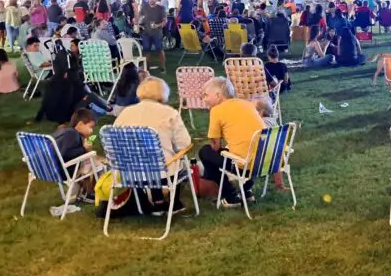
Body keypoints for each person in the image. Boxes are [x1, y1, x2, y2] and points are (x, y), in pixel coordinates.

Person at [113, 77, 190, 211]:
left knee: (154, 158)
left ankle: (155, 200)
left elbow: (114, 143)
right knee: (176, 160)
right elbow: (184, 144)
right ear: (163, 93)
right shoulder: (169, 113)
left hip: (129, 172)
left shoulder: (125, 113)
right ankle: (174, 204)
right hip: (161, 173)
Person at [197, 77, 265, 205]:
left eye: (206, 95)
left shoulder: (216, 110)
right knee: (231, 151)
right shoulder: (247, 104)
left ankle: (230, 195)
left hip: (245, 165)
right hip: (265, 161)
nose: (204, 99)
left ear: (218, 95)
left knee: (205, 152)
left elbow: (215, 147)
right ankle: (246, 191)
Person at [53, 108, 98, 200]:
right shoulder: (73, 134)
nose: (92, 131)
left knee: (89, 161)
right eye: (90, 127)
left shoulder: (63, 132)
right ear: (80, 124)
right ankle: (89, 193)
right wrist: (84, 149)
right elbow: (65, 154)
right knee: (96, 164)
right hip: (63, 172)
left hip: (51, 170)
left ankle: (80, 192)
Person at [138, 0, 168, 74]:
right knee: (146, 50)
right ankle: (147, 68)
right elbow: (139, 18)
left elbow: (165, 21)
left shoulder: (161, 8)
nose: (151, 0)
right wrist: (139, 21)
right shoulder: (144, 7)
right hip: (146, 33)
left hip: (157, 33)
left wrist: (157, 25)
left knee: (159, 50)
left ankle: (163, 67)